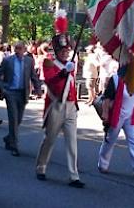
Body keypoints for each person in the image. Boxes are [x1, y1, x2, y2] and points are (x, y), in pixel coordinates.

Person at [35, 12, 85, 188]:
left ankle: (74, 175)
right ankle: (41, 167)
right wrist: (64, 72)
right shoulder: (49, 63)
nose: (65, 53)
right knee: (50, 139)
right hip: (56, 105)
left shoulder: (70, 64)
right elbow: (50, 81)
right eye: (62, 51)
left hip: (71, 107)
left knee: (72, 142)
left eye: (67, 50)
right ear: (56, 51)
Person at [98, 64, 134, 182]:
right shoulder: (115, 79)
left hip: (130, 116)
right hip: (117, 114)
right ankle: (103, 164)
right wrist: (105, 114)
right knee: (110, 139)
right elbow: (107, 98)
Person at [0, 41, 42, 156]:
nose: (17, 51)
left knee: (19, 120)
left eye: (20, 48)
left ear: (24, 49)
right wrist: (3, 89)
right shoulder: (7, 60)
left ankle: (8, 138)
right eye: (16, 48)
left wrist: (38, 89)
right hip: (10, 92)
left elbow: (33, 76)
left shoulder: (29, 61)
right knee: (13, 119)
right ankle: (14, 146)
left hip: (23, 93)